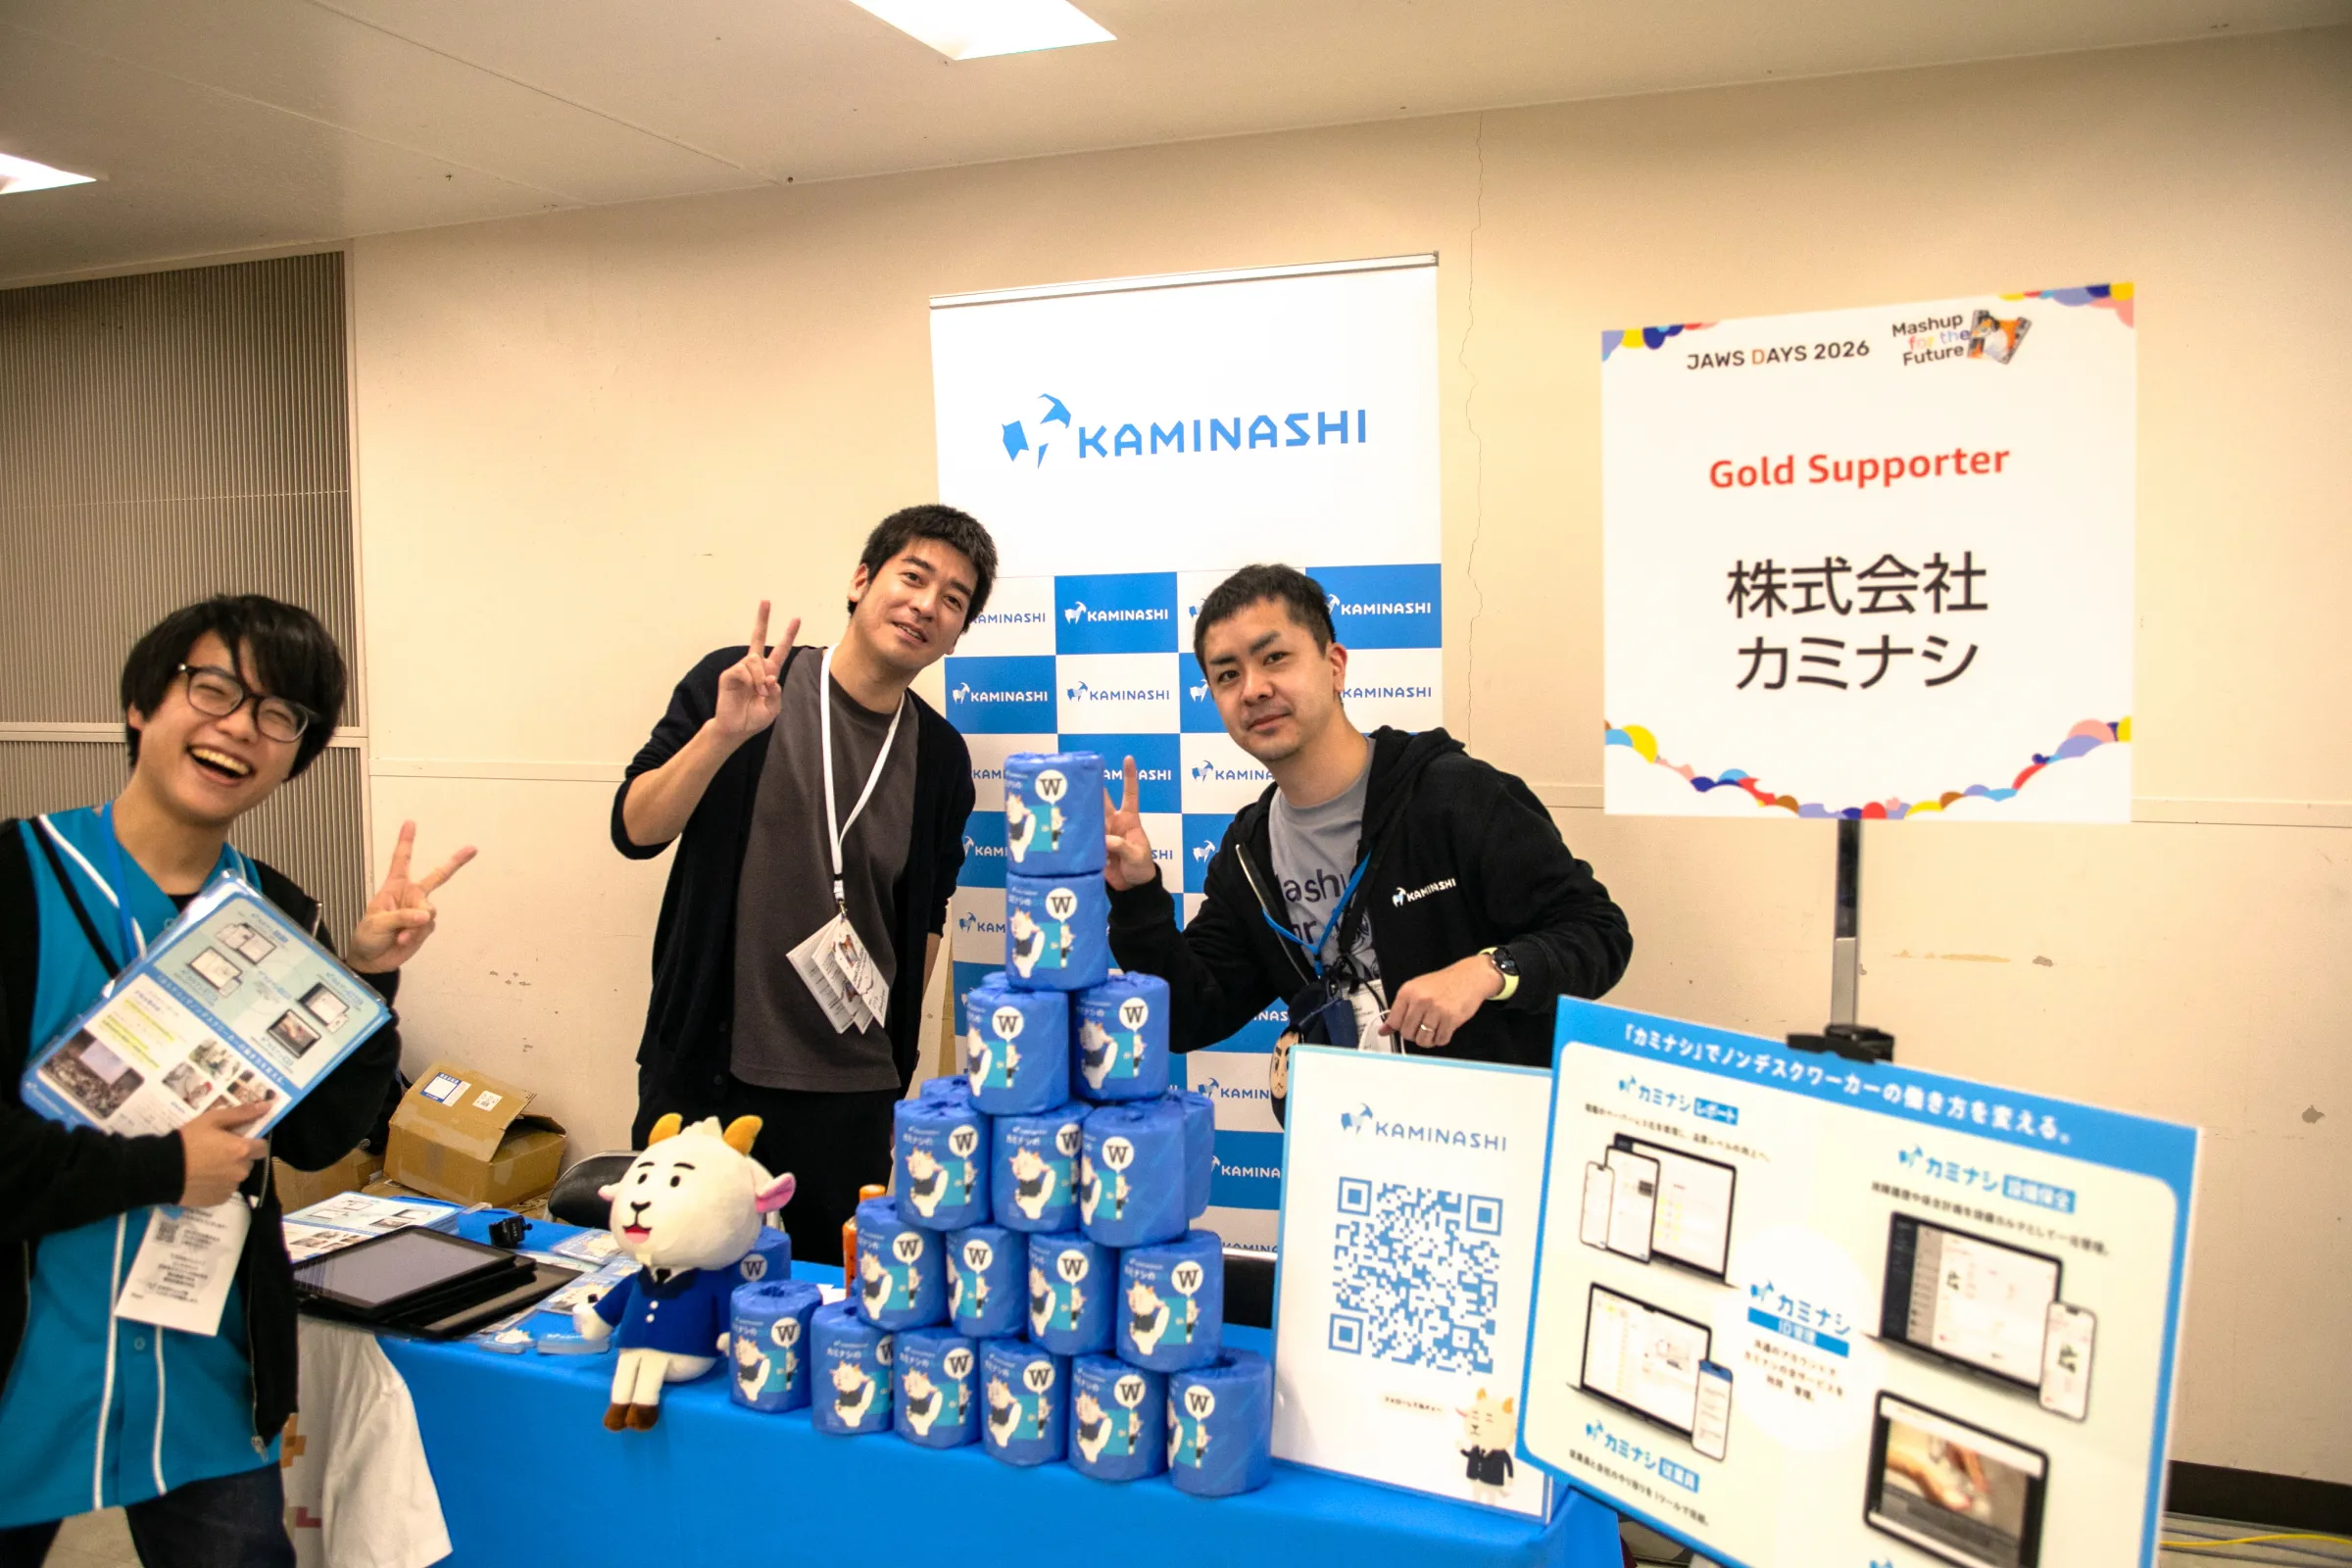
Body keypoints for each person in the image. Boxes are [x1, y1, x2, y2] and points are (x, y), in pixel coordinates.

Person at [0, 595, 472, 1566]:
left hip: (206, 1368)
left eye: (279, 714)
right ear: (142, 703)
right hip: (23, 1366)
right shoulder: (15, 880)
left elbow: (317, 1134)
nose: (241, 728)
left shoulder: (276, 914)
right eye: (214, 689)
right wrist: (164, 1168)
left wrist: (367, 975)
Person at [613, 505, 994, 1263]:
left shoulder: (942, 758)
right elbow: (636, 828)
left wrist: (894, 1070)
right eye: (913, 577)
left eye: (953, 599)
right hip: (709, 1075)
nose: (927, 605)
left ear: (958, 634)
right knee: (679, 1283)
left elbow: (924, 918)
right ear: (860, 581)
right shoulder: (744, 681)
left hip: (850, 1096)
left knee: (830, 1306)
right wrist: (723, 735)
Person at [1102, 564, 1631, 1102]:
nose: (1254, 689)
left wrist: (1486, 972)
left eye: (1275, 657)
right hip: (1348, 1134)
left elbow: (1599, 933)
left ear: (1335, 666)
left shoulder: (1454, 796)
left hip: (1491, 1133)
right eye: (1227, 675)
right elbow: (1190, 1015)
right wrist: (1136, 896)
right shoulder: (1248, 854)